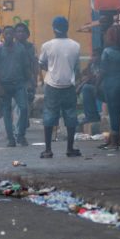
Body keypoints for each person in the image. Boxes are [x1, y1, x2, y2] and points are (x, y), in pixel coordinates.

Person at [39, 16, 81, 158]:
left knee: (49, 116)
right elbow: (77, 68)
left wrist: (50, 69)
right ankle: (70, 149)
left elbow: (41, 63)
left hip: (52, 86)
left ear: (53, 28)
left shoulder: (47, 45)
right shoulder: (76, 45)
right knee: (70, 116)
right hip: (69, 85)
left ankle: (48, 150)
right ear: (67, 27)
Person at [0, 26, 32, 147]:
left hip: (19, 84)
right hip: (5, 85)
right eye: (6, 34)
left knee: (24, 108)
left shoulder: (21, 49)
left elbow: (26, 66)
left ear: (14, 35)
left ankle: (21, 135)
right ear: (3, 35)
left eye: (11, 33)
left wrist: (29, 81)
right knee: (6, 112)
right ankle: (11, 138)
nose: (9, 36)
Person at [98, 25, 120, 149]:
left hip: (112, 87)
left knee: (114, 113)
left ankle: (115, 141)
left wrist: (97, 85)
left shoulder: (107, 52)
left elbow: (103, 71)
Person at [14, 22, 38, 129]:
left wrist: (36, 78)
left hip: (28, 78)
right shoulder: (12, 47)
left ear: (27, 34)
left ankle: (25, 118)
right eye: (18, 32)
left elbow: (35, 63)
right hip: (15, 78)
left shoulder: (31, 47)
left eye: (23, 32)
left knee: (28, 100)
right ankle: (19, 124)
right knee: (16, 103)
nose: (20, 34)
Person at [77, 48, 102, 125]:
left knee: (86, 88)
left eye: (95, 55)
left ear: (100, 56)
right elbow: (89, 77)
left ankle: (91, 116)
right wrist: (88, 66)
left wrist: (81, 86)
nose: (93, 57)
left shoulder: (103, 64)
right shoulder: (92, 65)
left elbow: (97, 78)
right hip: (97, 88)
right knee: (85, 88)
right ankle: (91, 115)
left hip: (104, 88)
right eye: (92, 55)